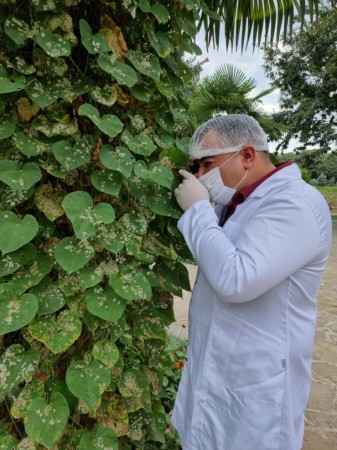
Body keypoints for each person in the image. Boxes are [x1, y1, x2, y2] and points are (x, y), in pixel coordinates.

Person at [172, 114, 332, 450]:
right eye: (196, 167)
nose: (201, 176)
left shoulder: (295, 204)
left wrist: (198, 211)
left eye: (207, 164)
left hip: (259, 380)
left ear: (247, 155)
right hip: (216, 367)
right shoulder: (234, 202)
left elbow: (236, 280)